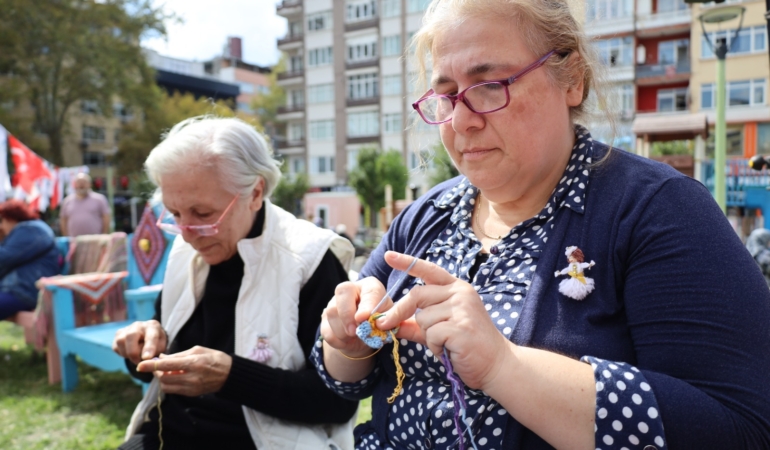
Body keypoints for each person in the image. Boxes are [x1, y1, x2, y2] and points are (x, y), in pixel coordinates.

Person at [313, 1, 770, 449]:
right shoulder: (424, 217)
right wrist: (349, 341)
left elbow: (739, 428)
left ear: (571, 79)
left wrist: (503, 366)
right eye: (446, 94)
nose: (461, 120)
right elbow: (342, 381)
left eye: (489, 85)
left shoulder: (656, 210)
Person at [112, 117, 359, 450]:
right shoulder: (186, 249)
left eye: (202, 213)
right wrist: (140, 348)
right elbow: (153, 371)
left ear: (255, 192)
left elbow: (338, 403)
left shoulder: (311, 261)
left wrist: (230, 376)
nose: (186, 232)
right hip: (168, 434)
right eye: (174, 213)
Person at [0, 200, 60, 319]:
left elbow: (4, 258)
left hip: (25, 292)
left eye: (2, 221)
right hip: (20, 290)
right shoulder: (28, 230)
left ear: (11, 218)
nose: (1, 226)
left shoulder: (30, 230)